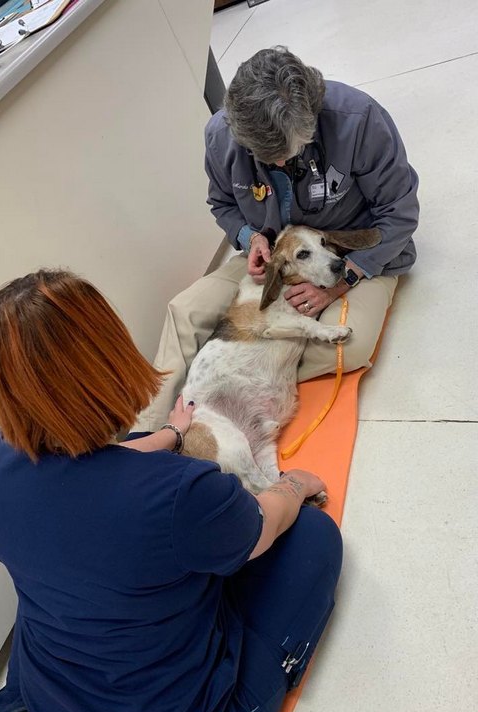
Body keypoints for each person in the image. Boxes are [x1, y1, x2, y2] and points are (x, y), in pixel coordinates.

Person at [0, 269, 342, 712]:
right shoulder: (185, 493)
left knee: (57, 579)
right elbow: (263, 527)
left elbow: (96, 467)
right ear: (109, 357)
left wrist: (171, 434)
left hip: (59, 711)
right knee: (311, 537)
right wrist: (293, 484)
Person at [136, 47, 419, 432]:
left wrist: (342, 282)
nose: (280, 167)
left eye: (290, 155)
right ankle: (147, 436)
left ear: (313, 122)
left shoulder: (359, 120)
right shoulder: (220, 136)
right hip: (275, 259)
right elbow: (221, 203)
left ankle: (225, 398)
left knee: (349, 346)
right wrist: (249, 237)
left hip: (351, 253)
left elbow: (399, 214)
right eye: (265, 160)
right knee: (185, 312)